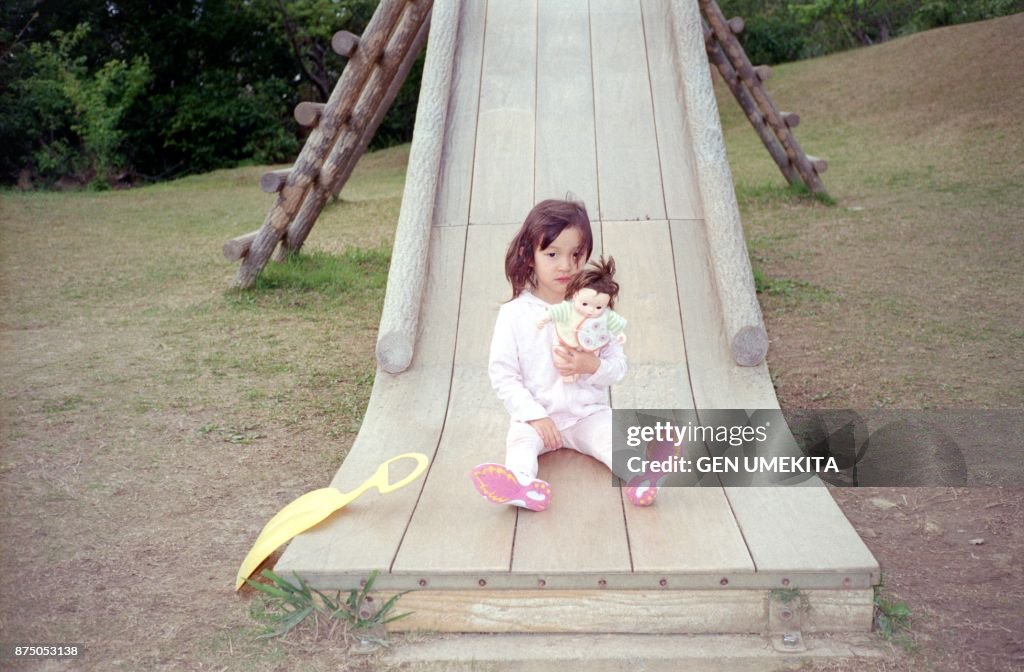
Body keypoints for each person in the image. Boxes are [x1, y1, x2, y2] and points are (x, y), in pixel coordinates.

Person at [469, 199, 657, 511]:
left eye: (576, 255)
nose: (566, 265)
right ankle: (521, 485)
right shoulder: (514, 314)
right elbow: (503, 375)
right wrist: (534, 415)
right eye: (552, 254)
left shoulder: (596, 309)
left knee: (611, 440)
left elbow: (618, 367)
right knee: (520, 443)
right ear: (530, 256)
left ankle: (640, 476)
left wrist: (593, 365)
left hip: (587, 413)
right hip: (536, 416)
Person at [537, 256, 628, 383]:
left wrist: (620, 333)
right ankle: (567, 374)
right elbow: (557, 311)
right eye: (585, 304)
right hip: (566, 341)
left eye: (598, 307)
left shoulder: (604, 316)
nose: (591, 310)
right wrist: (546, 317)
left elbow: (615, 323)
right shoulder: (569, 309)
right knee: (559, 353)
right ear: (575, 295)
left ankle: (579, 370)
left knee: (593, 353)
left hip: (591, 348)